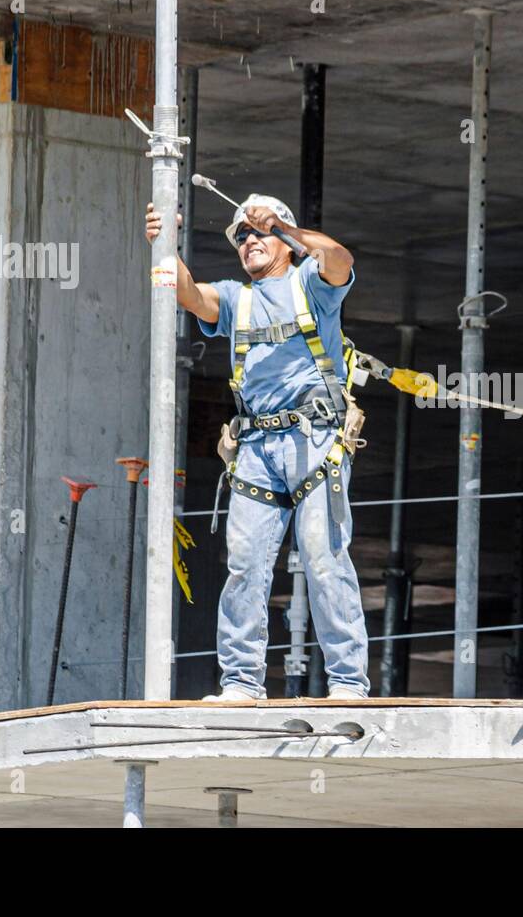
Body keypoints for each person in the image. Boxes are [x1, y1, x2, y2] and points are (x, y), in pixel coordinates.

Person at [145, 193, 369, 700]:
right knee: (244, 563)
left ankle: (349, 684)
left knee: (324, 556)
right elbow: (188, 295)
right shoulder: (237, 298)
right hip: (255, 445)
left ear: (285, 241)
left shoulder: (309, 283)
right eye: (240, 237)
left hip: (314, 440)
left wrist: (288, 230)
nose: (247, 242)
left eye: (256, 233)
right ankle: (242, 682)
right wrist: (166, 243)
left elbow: (340, 260)